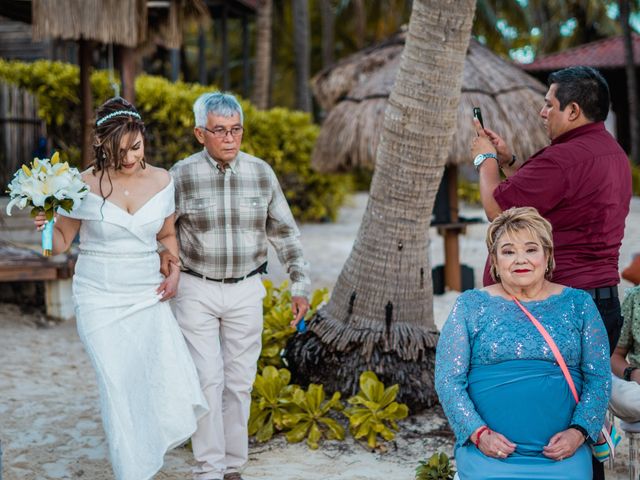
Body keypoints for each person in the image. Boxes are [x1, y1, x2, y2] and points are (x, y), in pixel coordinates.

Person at [34, 97, 208, 480]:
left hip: (146, 295)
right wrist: (45, 226)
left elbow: (166, 233)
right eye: (118, 150)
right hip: (98, 297)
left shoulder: (163, 180)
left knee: (148, 377)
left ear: (144, 140)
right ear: (100, 144)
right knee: (117, 383)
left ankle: (141, 457)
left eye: (135, 147)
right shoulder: (79, 184)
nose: (128, 158)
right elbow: (59, 244)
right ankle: (131, 470)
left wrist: (174, 270)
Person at [470, 65, 630, 480]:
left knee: (550, 428)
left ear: (573, 110)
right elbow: (548, 200)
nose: (543, 112)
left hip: (560, 308)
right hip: (603, 301)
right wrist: (510, 161)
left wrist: (485, 159)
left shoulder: (563, 158)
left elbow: (499, 212)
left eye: (549, 104)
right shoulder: (612, 153)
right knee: (582, 416)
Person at [162, 91, 310, 480]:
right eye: (219, 131)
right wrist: (167, 269)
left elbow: (286, 234)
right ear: (200, 134)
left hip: (247, 288)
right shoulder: (180, 175)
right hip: (197, 289)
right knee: (207, 381)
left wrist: (300, 284)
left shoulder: (261, 173)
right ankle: (209, 469)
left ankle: (233, 467)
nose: (229, 138)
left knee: (239, 383)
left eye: (236, 130)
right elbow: (162, 234)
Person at [435, 207, 611, 480]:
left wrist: (578, 433)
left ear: (548, 255)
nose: (521, 260)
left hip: (563, 456)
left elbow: (599, 377)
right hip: (488, 455)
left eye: (531, 249)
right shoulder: (471, 305)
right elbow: (448, 379)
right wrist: (478, 433)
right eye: (508, 251)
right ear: (494, 259)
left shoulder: (578, 304)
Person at [609, 286, 640, 423]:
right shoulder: (635, 297)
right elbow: (615, 355)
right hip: (637, 391)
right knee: (612, 391)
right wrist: (632, 373)